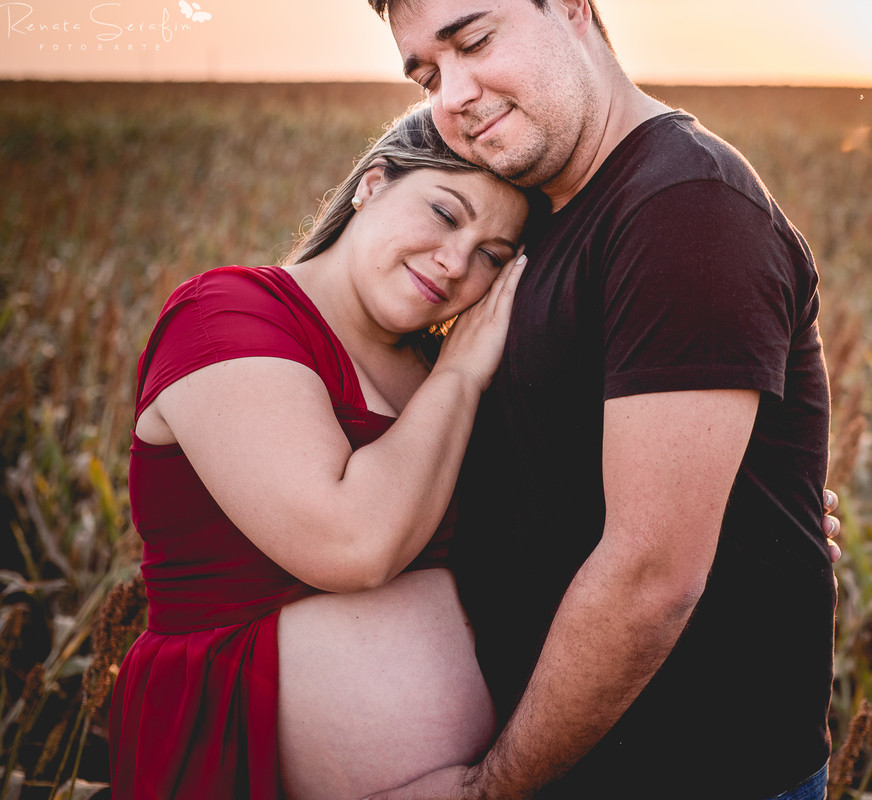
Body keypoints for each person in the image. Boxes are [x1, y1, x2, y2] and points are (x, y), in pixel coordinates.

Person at [368, 2, 838, 799]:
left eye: (474, 41)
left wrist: (490, 789)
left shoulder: (684, 207)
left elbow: (650, 576)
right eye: (427, 74)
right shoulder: (538, 213)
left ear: (576, 7)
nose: (452, 95)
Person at [107, 105, 545, 800]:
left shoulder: (435, 370)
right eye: (444, 213)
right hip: (233, 751)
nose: (458, 261)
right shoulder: (226, 313)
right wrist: (463, 374)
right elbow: (353, 544)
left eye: (493, 255)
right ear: (373, 184)